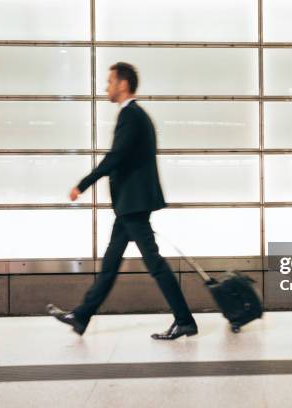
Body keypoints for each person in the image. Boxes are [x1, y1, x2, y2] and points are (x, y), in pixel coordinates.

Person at [47, 62, 197, 340]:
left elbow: (116, 157)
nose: (106, 87)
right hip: (131, 205)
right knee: (111, 263)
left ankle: (185, 320)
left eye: (110, 82)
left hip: (133, 204)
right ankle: (81, 316)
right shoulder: (136, 115)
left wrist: (83, 184)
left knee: (153, 263)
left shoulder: (131, 116)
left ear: (123, 84)